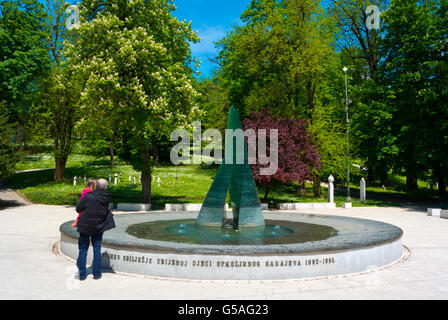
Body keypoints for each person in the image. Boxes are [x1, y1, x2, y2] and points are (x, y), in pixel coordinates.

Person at [75, 178, 113, 280]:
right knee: (97, 249)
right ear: (105, 187)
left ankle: (82, 275)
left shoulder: (88, 196)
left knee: (83, 249)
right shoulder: (106, 198)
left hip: (85, 226)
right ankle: (96, 274)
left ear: (96, 186)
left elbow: (78, 208)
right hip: (98, 226)